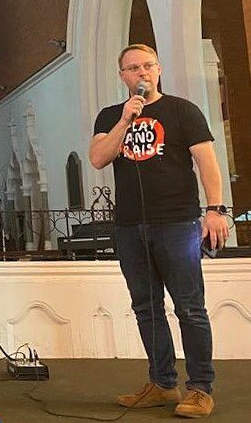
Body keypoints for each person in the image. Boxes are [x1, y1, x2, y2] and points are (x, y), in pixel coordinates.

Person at [89, 44, 230, 419]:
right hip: (130, 226)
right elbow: (99, 157)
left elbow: (207, 163)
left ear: (159, 69)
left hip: (177, 223)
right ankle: (163, 383)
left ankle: (200, 388)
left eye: (148, 66)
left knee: (189, 308)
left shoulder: (183, 111)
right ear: (123, 76)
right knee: (146, 308)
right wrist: (124, 120)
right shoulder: (110, 116)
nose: (142, 73)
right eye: (133, 68)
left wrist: (215, 210)